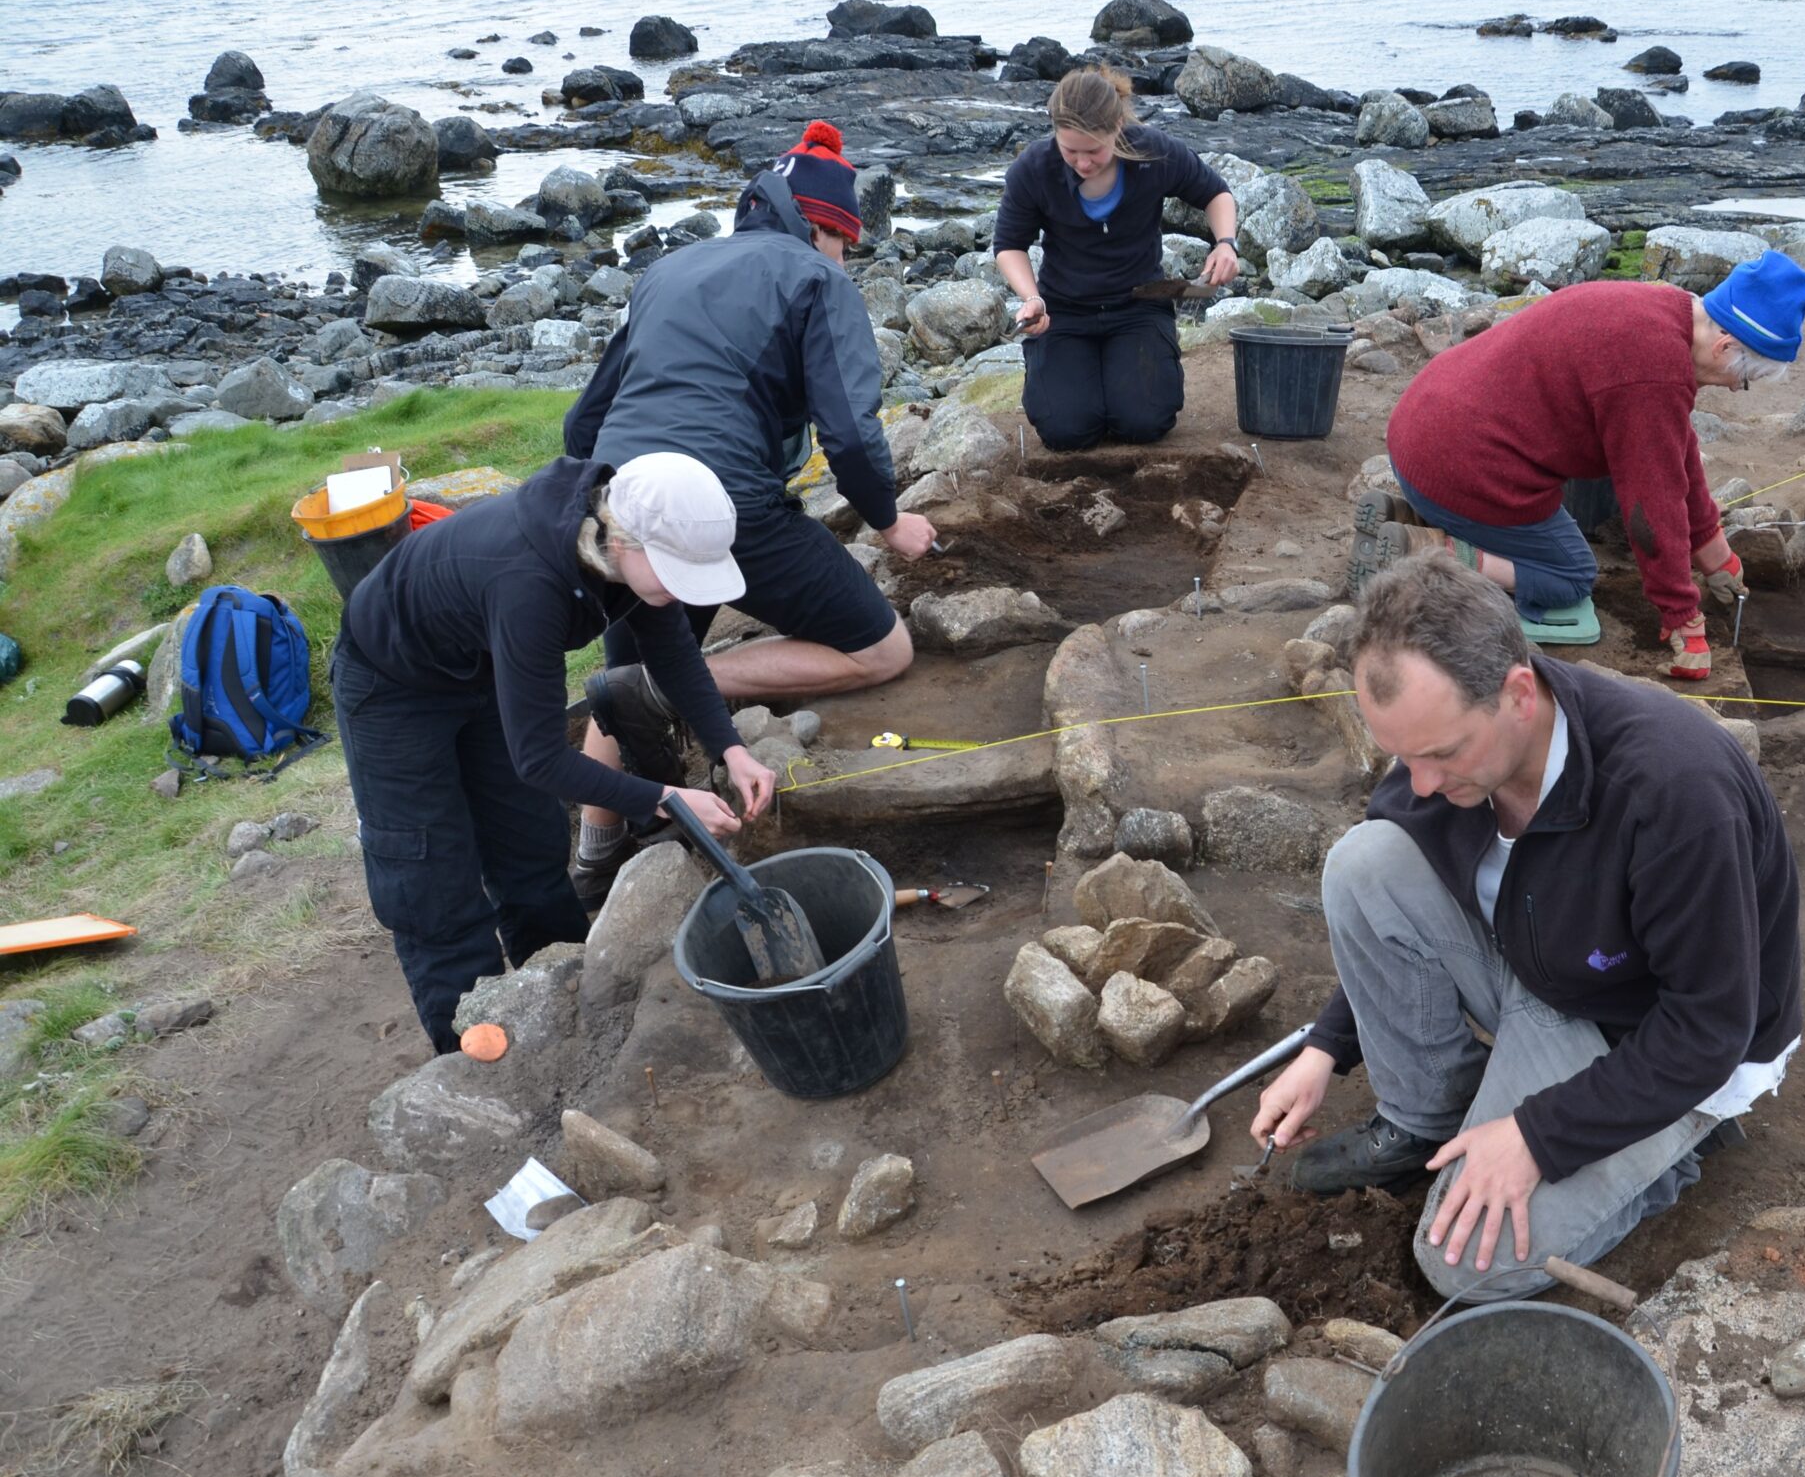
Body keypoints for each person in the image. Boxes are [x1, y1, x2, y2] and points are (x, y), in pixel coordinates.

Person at [1249, 557, 1802, 1300]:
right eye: (1401, 754)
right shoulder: (1449, 756)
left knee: (1463, 1265)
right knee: (1364, 862)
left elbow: (1708, 1028)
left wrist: (1538, 1136)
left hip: (1649, 1037)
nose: (1419, 784)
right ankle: (1427, 1120)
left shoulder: (1673, 792)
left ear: (1517, 692)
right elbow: (1399, 896)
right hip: (1545, 961)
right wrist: (1327, 1047)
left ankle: (1672, 1150)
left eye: (1441, 753)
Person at [561, 118, 936, 908]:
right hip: (725, 501)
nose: (845, 260)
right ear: (826, 228)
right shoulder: (815, 277)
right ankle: (681, 685)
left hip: (623, 498)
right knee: (883, 648)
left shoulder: (665, 271)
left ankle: (591, 863)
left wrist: (600, 506)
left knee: (617, 679)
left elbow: (582, 425)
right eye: (847, 243)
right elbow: (849, 431)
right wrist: (890, 521)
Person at [334, 453, 774, 1053]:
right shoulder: (530, 584)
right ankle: (475, 1054)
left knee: (530, 845)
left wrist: (731, 749)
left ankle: (566, 1005)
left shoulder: (616, 548)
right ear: (622, 540)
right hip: (393, 683)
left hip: (482, 665)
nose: (682, 590)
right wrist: (664, 798)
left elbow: (673, 657)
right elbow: (540, 758)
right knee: (433, 876)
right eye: (676, 571)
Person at [1351, 253, 1805, 679]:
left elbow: (1675, 448)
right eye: (1744, 381)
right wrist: (1682, 616)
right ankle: (1425, 550)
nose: (1735, 389)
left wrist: (1715, 553)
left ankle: (1405, 518)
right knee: (1571, 574)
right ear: (1724, 348)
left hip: (1420, 436)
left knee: (1530, 532)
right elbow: (1649, 507)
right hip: (1464, 463)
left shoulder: (1666, 311)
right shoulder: (1654, 372)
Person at [992, 66, 1241, 451]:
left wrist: (1225, 243)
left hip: (1138, 305)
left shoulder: (1153, 151)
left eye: (1094, 150)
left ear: (1118, 127)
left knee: (1144, 422)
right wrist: (1032, 298)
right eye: (1070, 150)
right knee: (1066, 431)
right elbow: (1009, 245)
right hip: (1065, 312)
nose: (1083, 162)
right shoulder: (1034, 169)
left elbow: (1216, 194)